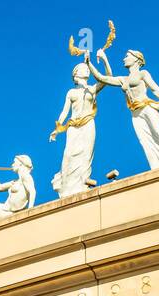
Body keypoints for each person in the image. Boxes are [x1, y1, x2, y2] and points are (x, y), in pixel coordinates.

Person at [86, 48, 159, 170]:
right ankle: (156, 166)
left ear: (137, 59)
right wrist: (92, 62)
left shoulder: (143, 74)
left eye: (127, 56)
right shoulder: (123, 79)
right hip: (135, 114)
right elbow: (102, 78)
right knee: (145, 140)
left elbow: (155, 89)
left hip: (146, 107)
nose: (124, 58)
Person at [50, 63, 103, 198]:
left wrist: (98, 60)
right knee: (68, 155)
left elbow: (106, 78)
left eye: (88, 69)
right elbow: (64, 112)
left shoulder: (92, 89)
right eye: (83, 68)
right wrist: (57, 128)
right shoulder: (71, 92)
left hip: (88, 124)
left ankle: (83, 184)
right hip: (73, 126)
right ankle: (66, 187)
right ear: (76, 74)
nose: (87, 70)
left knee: (86, 154)